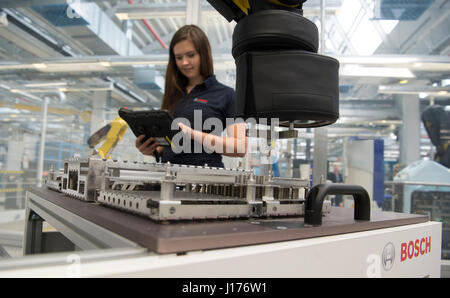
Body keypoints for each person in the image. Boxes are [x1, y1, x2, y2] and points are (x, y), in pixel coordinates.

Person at [135, 25, 247, 167]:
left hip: (206, 180)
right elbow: (169, 147)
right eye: (179, 57)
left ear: (204, 54)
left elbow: (239, 147)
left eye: (190, 55)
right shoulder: (174, 93)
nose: (184, 62)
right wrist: (152, 149)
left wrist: (192, 133)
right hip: (168, 176)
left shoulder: (227, 95)